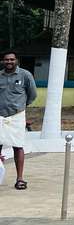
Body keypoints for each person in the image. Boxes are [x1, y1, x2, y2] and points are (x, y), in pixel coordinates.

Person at [0, 50, 37, 190]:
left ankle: (20, 178)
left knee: (18, 146)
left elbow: (32, 95)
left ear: (17, 61)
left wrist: (21, 106)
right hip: (0, 116)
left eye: (11, 59)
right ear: (3, 61)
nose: (9, 62)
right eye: (6, 60)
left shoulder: (25, 75)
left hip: (17, 116)